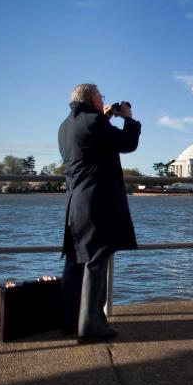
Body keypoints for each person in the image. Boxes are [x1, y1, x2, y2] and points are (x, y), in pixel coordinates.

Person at [58, 83, 141, 343]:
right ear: (94, 100)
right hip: (97, 202)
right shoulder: (94, 121)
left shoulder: (65, 126)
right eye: (101, 97)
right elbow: (127, 143)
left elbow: (91, 148)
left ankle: (70, 320)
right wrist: (128, 118)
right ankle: (92, 324)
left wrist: (104, 118)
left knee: (75, 260)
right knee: (96, 260)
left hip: (75, 203)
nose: (102, 100)